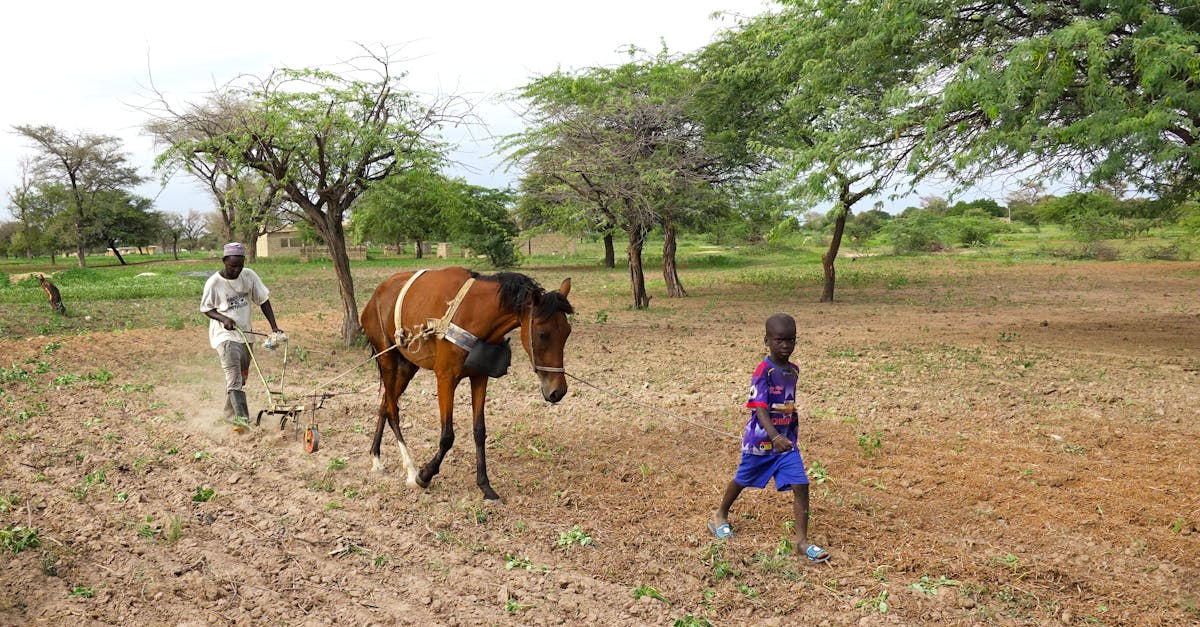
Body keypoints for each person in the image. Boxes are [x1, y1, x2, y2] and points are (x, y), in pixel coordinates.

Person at [709, 313, 830, 563]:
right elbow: (759, 407)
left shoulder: (793, 371)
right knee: (743, 479)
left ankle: (801, 541)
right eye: (779, 340)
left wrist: (786, 434)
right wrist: (773, 435)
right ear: (766, 340)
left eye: (791, 340)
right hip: (761, 442)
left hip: (786, 443)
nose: (786, 346)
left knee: (801, 484)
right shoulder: (763, 371)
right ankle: (720, 514)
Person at [199, 242, 282, 426]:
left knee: (241, 378)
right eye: (232, 266)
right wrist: (223, 319)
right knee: (234, 377)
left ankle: (228, 415)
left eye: (240, 265)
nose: (236, 270)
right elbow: (206, 309)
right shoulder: (214, 283)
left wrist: (274, 327)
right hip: (225, 336)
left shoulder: (249, 276)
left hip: (246, 335)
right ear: (224, 261)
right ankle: (242, 421)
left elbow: (264, 301)